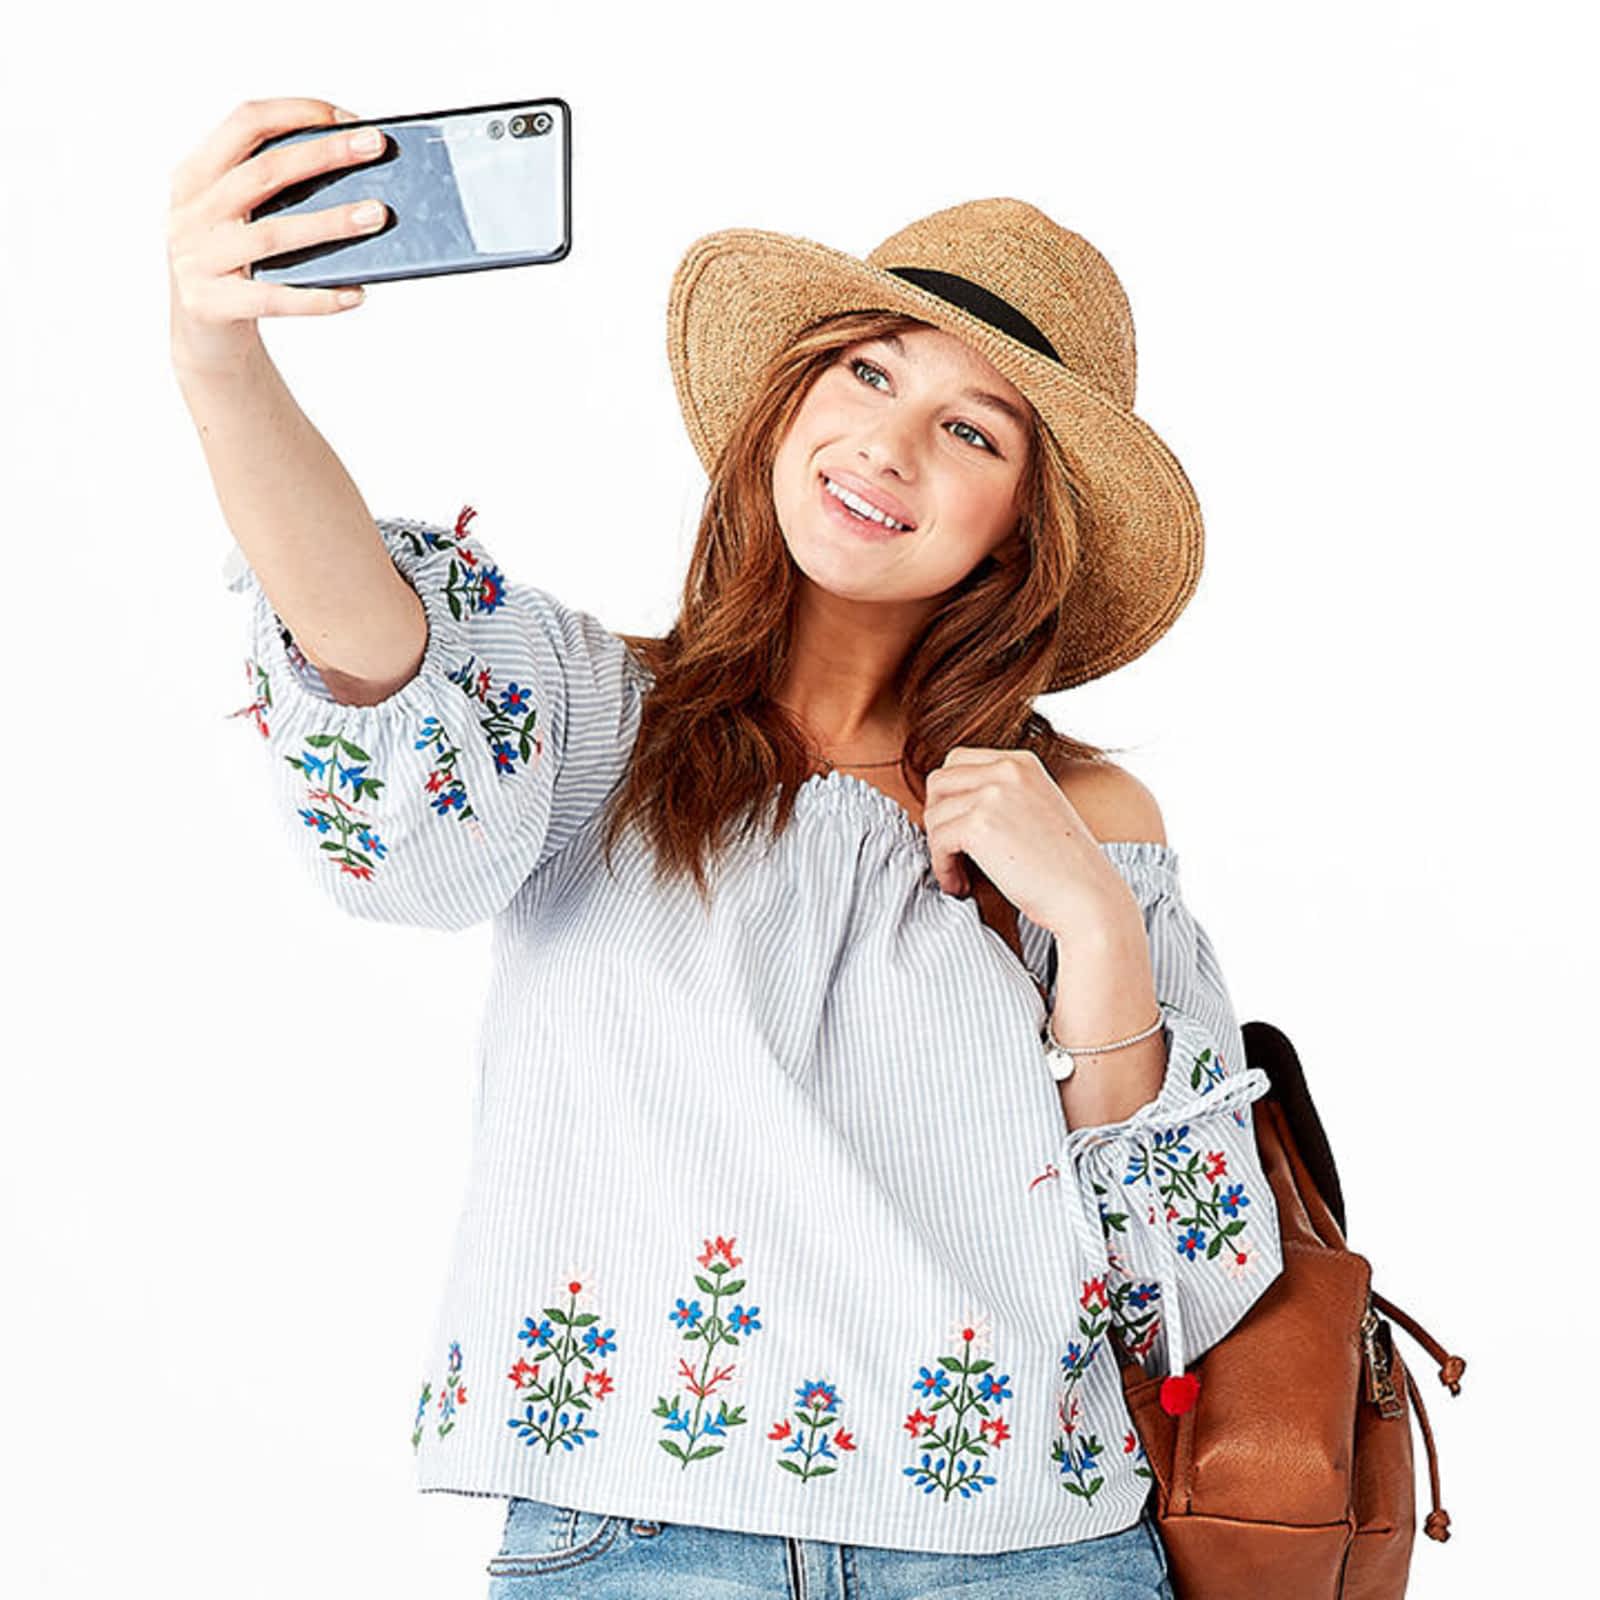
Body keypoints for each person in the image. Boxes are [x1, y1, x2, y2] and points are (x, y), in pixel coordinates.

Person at [172, 98, 1283, 1600]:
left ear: (1022, 529)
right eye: (868, 370)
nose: (888, 442)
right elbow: (368, 645)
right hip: (636, 1546)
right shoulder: (589, 718)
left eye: (971, 430)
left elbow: (1176, 1288)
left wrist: (1094, 925)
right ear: (791, 401)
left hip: (1026, 1557)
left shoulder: (1082, 827)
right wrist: (218, 358)